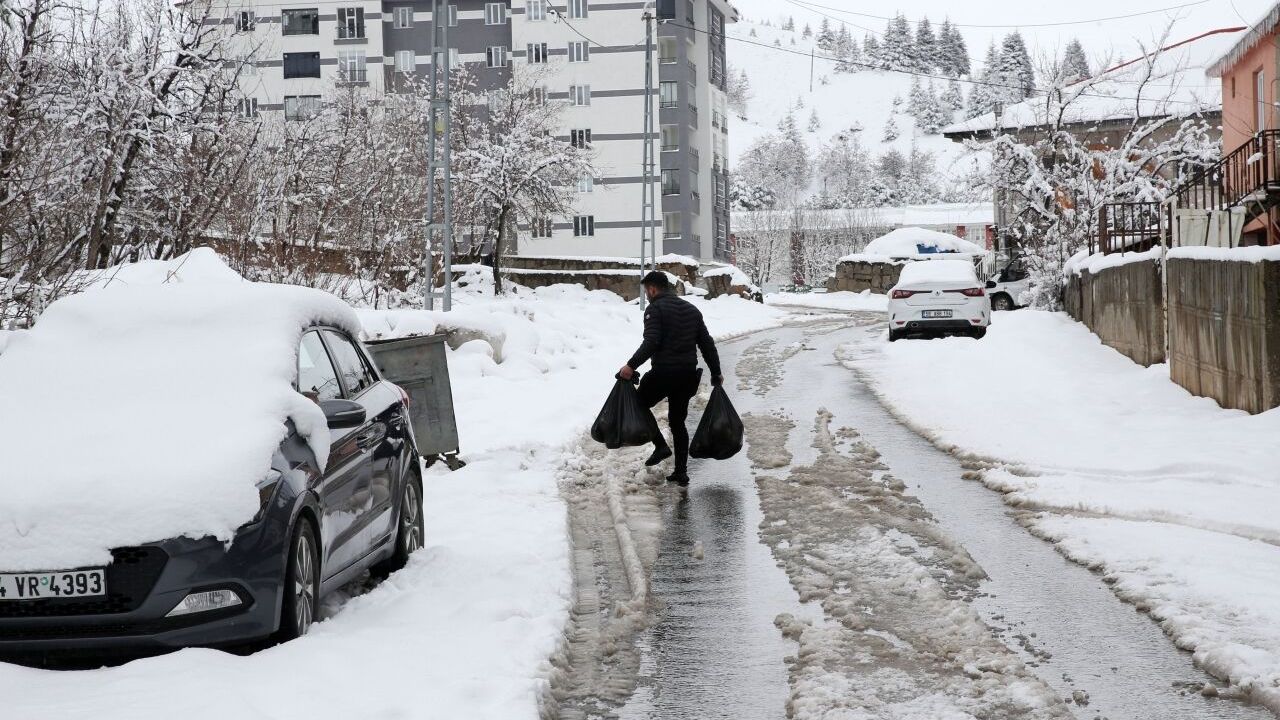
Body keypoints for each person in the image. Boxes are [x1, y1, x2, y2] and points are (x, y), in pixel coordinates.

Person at [618, 271, 723, 485]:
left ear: (653, 289)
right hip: (686, 375)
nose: (647, 295)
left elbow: (652, 342)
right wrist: (716, 372)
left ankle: (660, 446)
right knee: (678, 422)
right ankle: (681, 472)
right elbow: (706, 344)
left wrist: (630, 366)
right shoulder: (692, 310)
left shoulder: (655, 309)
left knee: (638, 405)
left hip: (664, 372)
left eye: (647, 291)